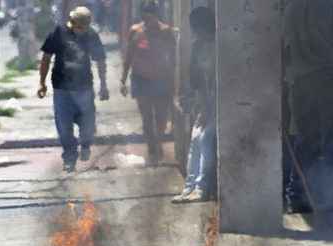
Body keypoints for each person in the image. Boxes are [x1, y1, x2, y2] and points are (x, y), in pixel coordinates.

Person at [38, 6, 110, 172]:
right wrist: (42, 82)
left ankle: (85, 145)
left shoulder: (91, 35)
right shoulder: (59, 32)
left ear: (85, 26)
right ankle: (69, 157)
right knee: (63, 126)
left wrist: (104, 85)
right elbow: (46, 57)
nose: (75, 28)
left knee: (87, 124)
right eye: (74, 24)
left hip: (84, 88)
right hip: (61, 88)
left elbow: (100, 60)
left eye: (79, 26)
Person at [283, 0, 333, 213]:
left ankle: (296, 196)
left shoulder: (290, 8)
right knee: (332, 138)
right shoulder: (330, 5)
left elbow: (283, 47)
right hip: (328, 78)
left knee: (305, 139)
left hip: (299, 82)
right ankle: (329, 195)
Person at [120, 0, 175, 166]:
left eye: (150, 17)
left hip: (161, 79)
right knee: (146, 117)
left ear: (156, 16)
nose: (148, 20)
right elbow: (129, 56)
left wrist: (174, 82)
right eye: (145, 17)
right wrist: (123, 79)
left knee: (161, 117)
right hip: (140, 79)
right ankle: (152, 147)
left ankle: (158, 141)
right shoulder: (135, 31)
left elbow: (174, 58)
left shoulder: (166, 32)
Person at [174, 6, 216, 203]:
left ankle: (201, 188)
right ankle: (189, 187)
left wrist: (208, 108)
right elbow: (197, 79)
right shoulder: (198, 46)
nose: (196, 32)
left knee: (206, 139)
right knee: (196, 138)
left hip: (222, 101)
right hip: (206, 101)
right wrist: (202, 107)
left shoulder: (219, 45)